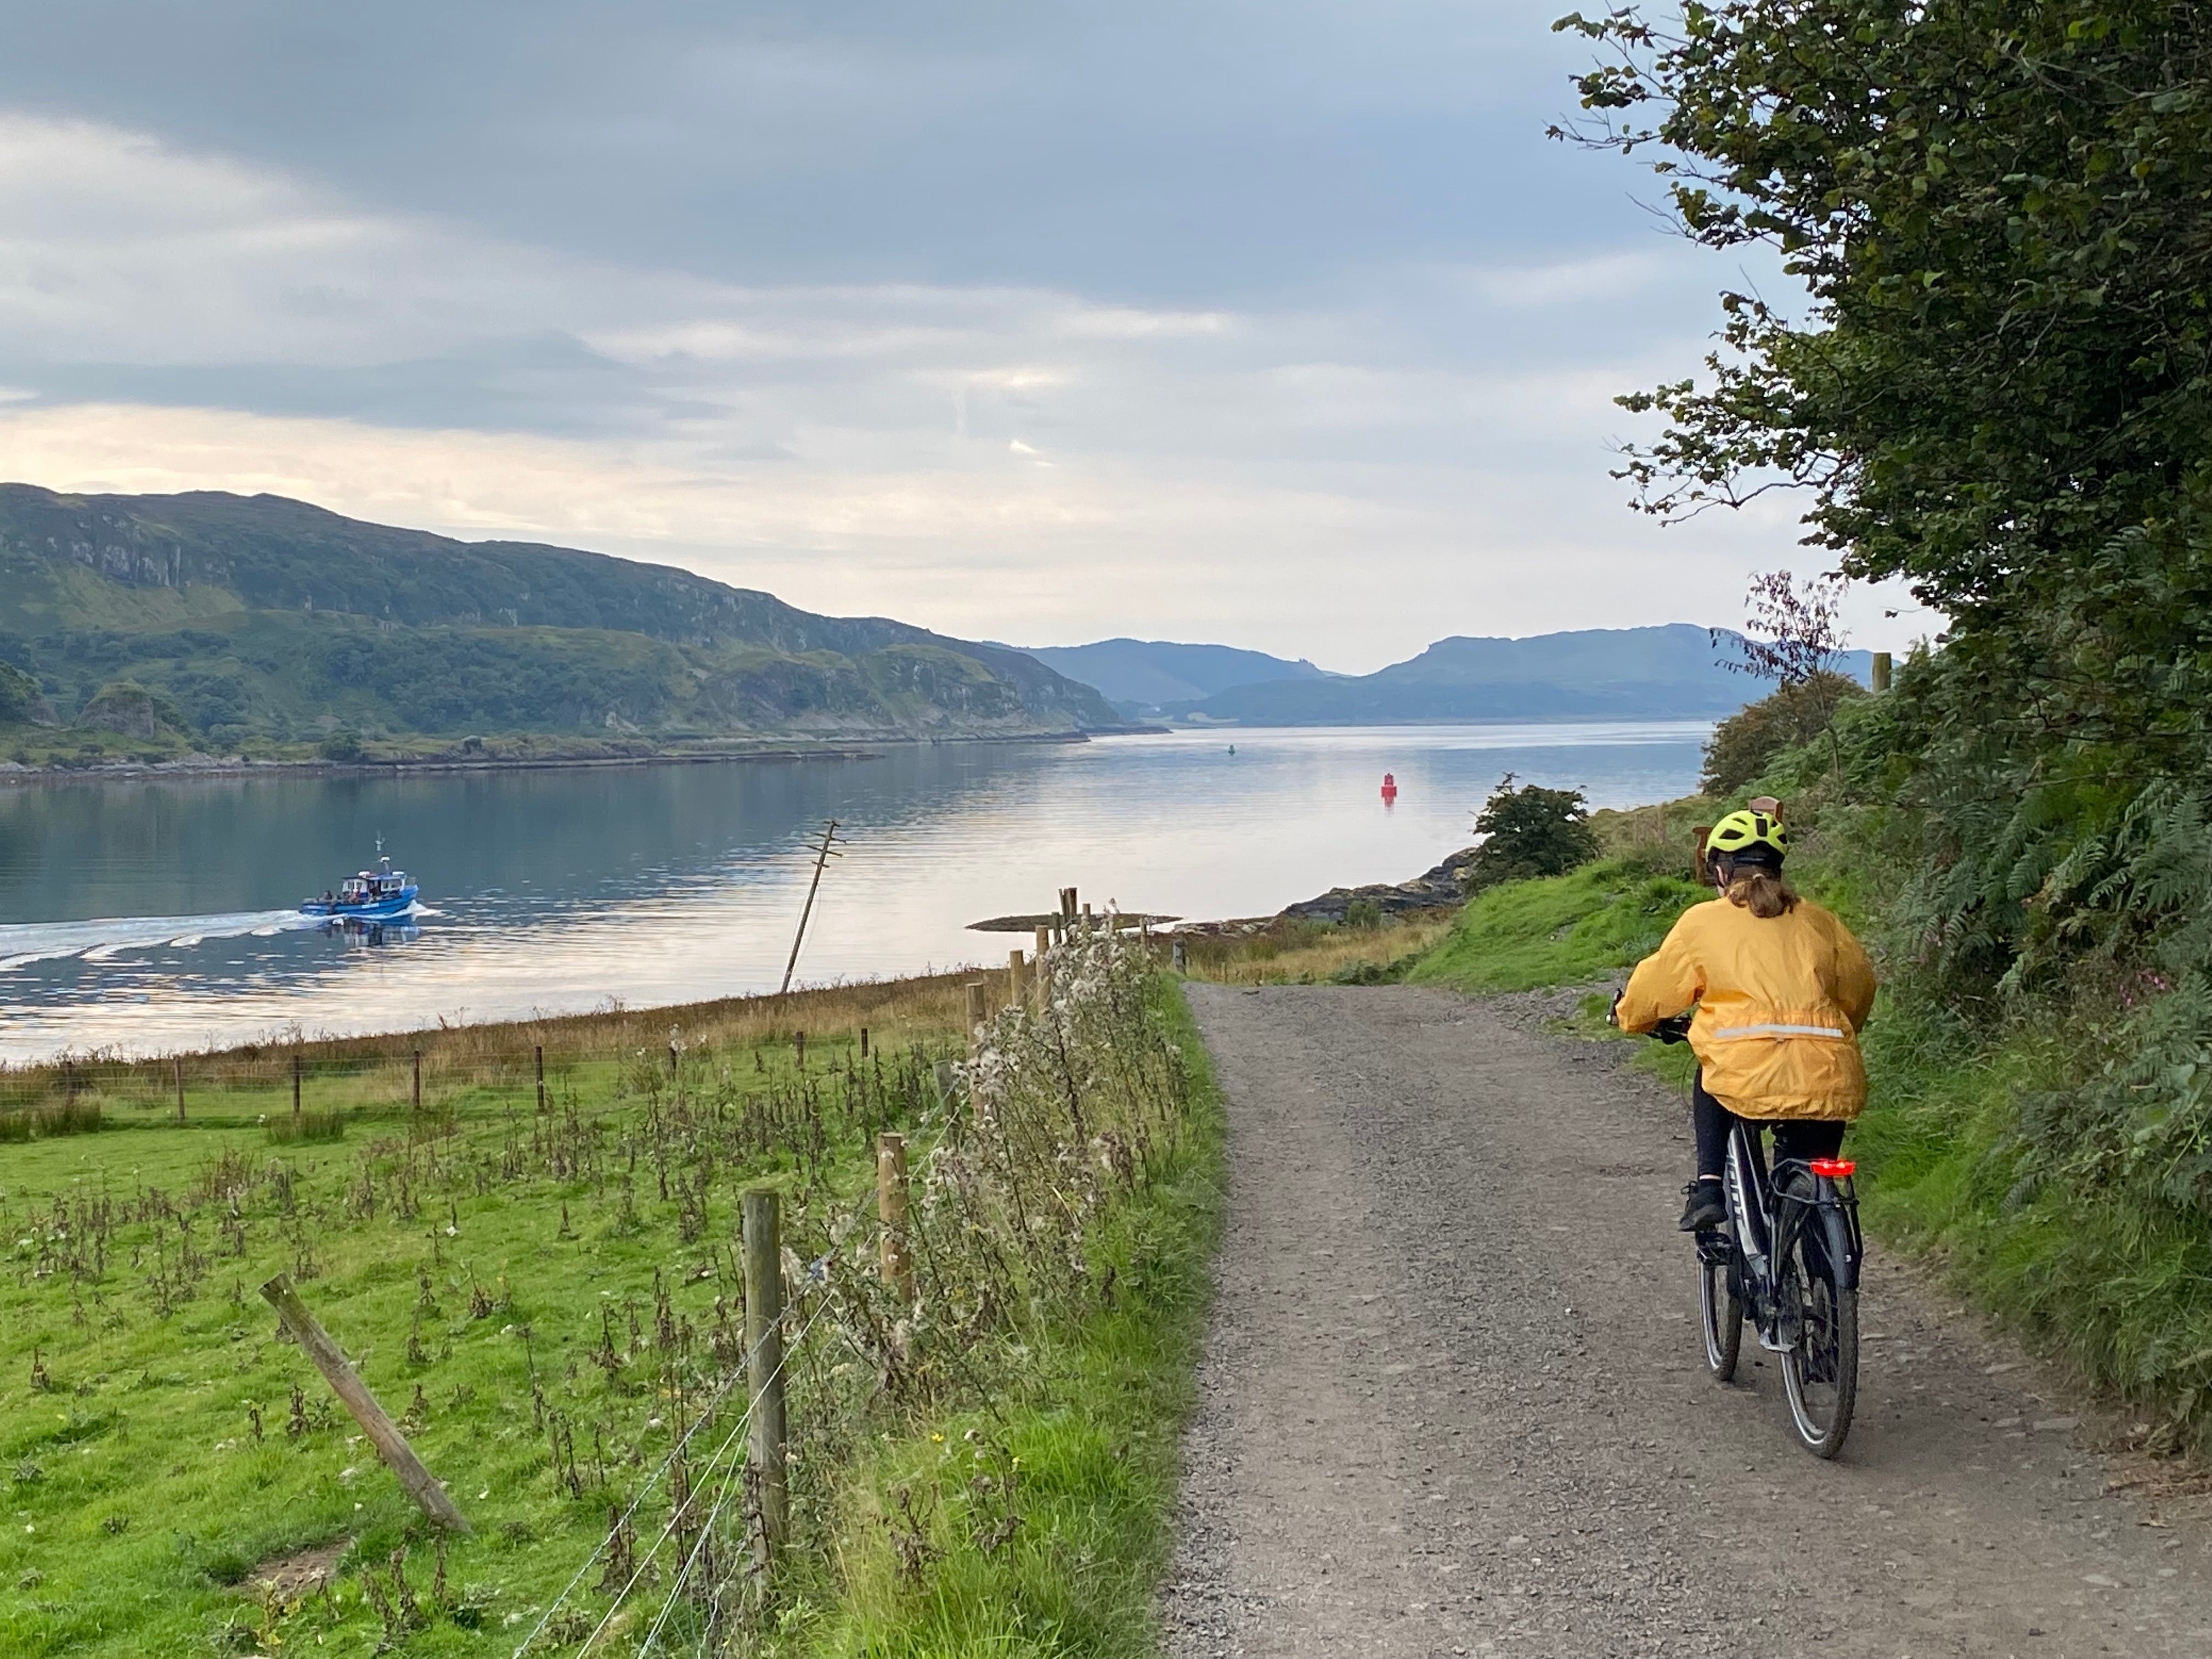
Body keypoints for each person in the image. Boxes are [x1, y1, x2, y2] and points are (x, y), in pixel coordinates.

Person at [1612, 808, 1877, 1231]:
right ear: (1777, 868)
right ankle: (1826, 1271)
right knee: (1812, 1173)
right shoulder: (1821, 922)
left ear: (1721, 868)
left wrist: (1629, 1017)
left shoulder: (1702, 921)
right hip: (1827, 1068)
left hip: (1743, 1074)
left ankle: (1710, 1187)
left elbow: (1654, 991)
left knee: (1710, 1067)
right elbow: (1859, 990)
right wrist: (1835, 1035)